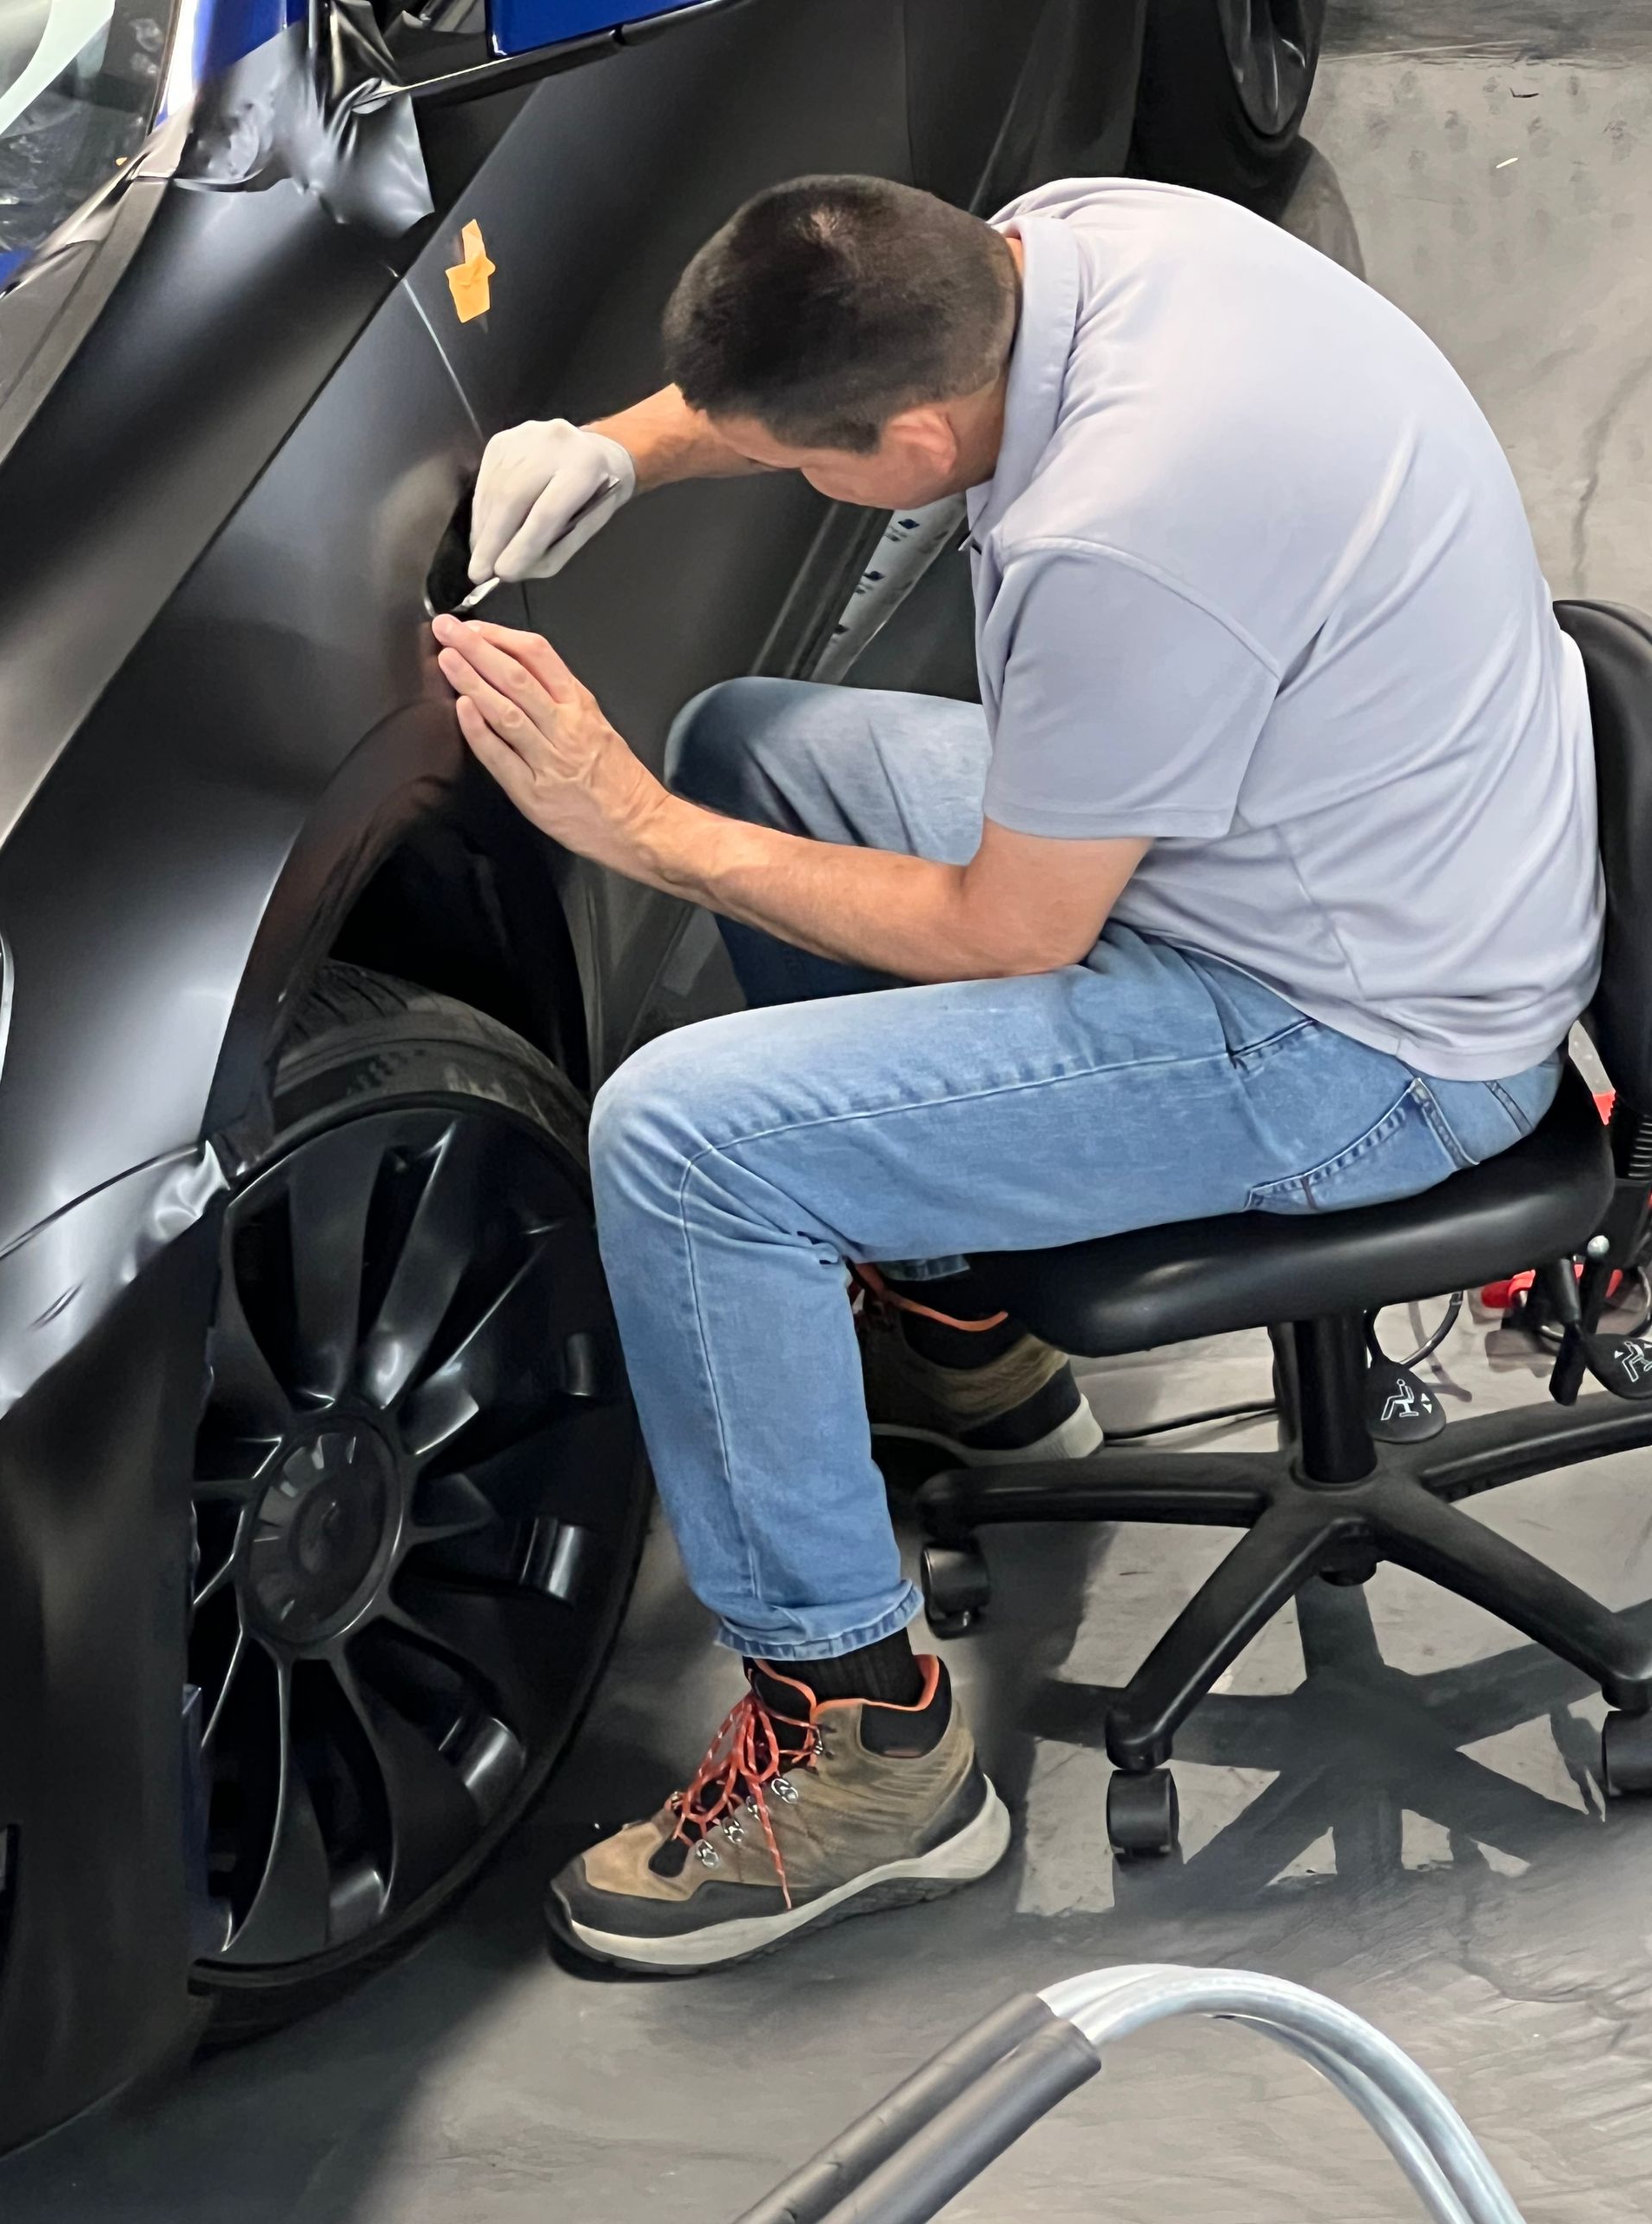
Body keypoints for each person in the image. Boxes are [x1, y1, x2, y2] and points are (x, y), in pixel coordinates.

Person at [431, 173, 1602, 1973]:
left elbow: (1012, 927)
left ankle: (872, 1751)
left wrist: (636, 833)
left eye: (813, 463)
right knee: (757, 748)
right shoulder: (1075, 238)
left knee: (683, 1137)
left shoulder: (1122, 527)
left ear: (914, 436)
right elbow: (830, 357)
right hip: (1320, 855)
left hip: (1363, 1038)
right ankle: (982, 1353)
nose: (800, 480)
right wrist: (618, 449)